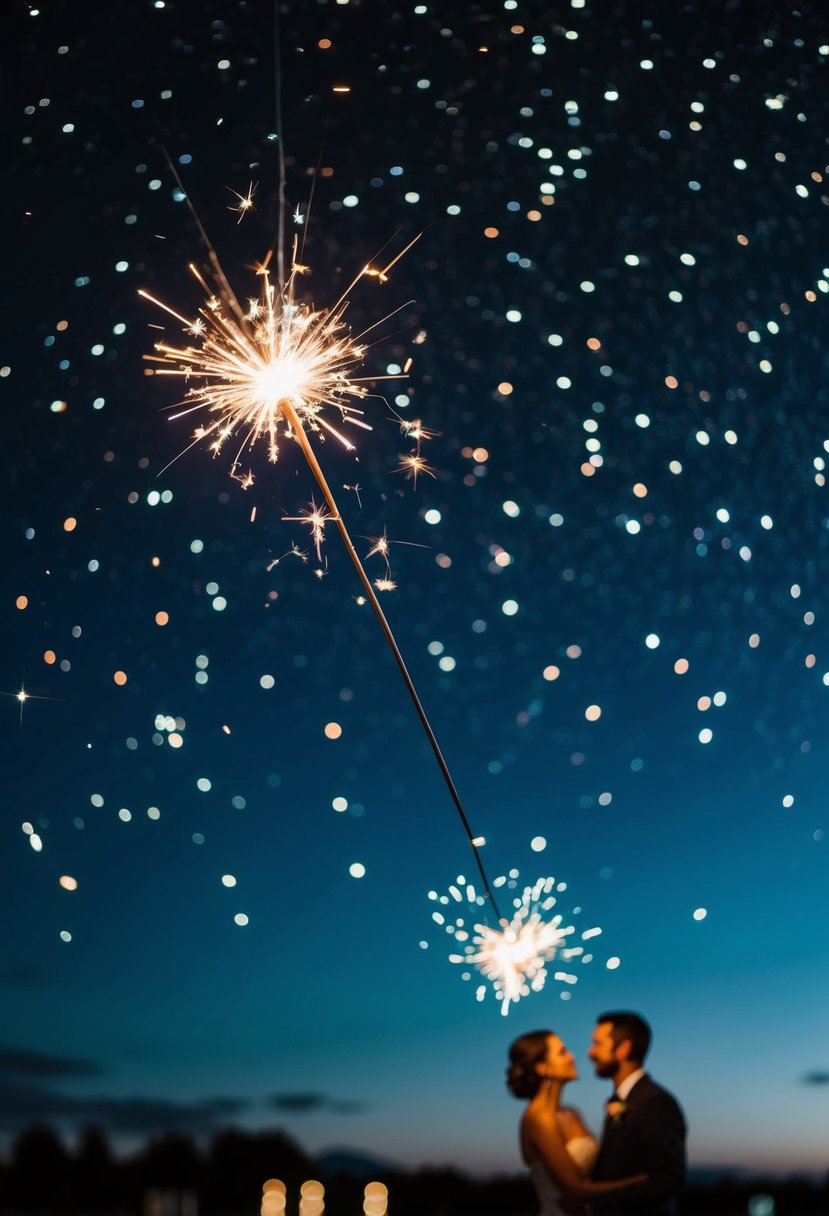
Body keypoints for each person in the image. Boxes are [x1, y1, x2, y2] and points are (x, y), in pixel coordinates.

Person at [507, 1030, 648, 1216]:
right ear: (543, 1067)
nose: (572, 1056)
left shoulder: (572, 1113)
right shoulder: (539, 1118)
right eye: (562, 1052)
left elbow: (598, 1170)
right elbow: (575, 1188)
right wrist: (642, 1181)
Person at [588, 1011, 686, 1215]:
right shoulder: (622, 1100)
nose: (590, 1052)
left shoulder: (654, 1102)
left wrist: (595, 1200)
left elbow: (667, 1180)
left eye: (597, 1043)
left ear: (623, 1049)